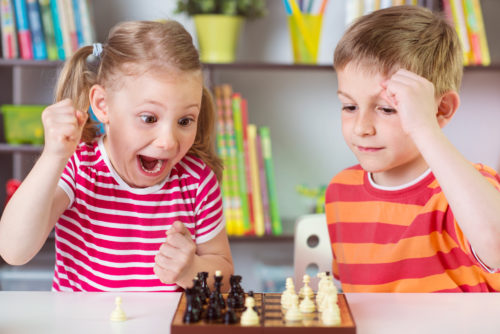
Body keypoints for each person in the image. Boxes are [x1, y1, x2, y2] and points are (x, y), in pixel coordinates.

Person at [0, 20, 234, 292]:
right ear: (102, 105)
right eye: (149, 118)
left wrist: (191, 271)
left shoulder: (197, 182)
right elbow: (13, 251)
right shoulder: (78, 166)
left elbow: (224, 273)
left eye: (185, 121)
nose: (168, 142)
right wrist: (53, 156)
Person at [326, 5, 500, 292]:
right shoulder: (340, 191)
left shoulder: (469, 188)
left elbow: (495, 243)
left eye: (386, 108)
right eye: (349, 106)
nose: (361, 128)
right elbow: (350, 302)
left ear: (441, 109)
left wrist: (424, 128)